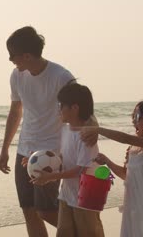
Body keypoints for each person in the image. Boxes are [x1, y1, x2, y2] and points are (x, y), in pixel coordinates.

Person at [0, 26, 75, 237]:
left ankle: (84, 232)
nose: (10, 59)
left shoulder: (61, 76)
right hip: (25, 151)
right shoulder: (17, 76)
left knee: (47, 211)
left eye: (12, 55)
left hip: (50, 153)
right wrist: (5, 149)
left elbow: (79, 111)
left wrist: (75, 149)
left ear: (27, 55)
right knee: (29, 211)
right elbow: (16, 111)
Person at [82, 100, 143, 237]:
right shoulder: (134, 149)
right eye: (133, 117)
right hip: (133, 204)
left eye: (138, 117)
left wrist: (98, 129)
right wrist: (107, 161)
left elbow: (125, 138)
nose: (134, 122)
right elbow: (126, 175)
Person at [30, 83, 105, 237]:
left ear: (75, 108)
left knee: (88, 232)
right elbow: (65, 157)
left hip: (87, 195)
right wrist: (40, 162)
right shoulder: (66, 129)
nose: (59, 110)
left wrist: (50, 177)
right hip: (67, 194)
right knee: (64, 232)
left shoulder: (86, 136)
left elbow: (81, 170)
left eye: (61, 105)